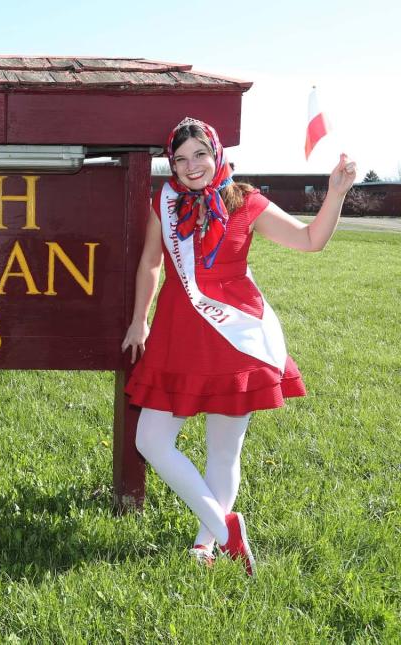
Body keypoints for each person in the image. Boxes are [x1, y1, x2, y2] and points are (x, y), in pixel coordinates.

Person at [121, 117, 356, 576]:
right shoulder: (164, 202)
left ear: (217, 154)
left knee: (224, 450)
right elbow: (151, 263)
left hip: (234, 337)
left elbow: (310, 241)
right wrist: (139, 321)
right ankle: (228, 530)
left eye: (200, 155)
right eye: (181, 159)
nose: (191, 167)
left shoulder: (245, 201)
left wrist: (337, 193)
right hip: (177, 335)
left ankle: (206, 544)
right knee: (151, 439)